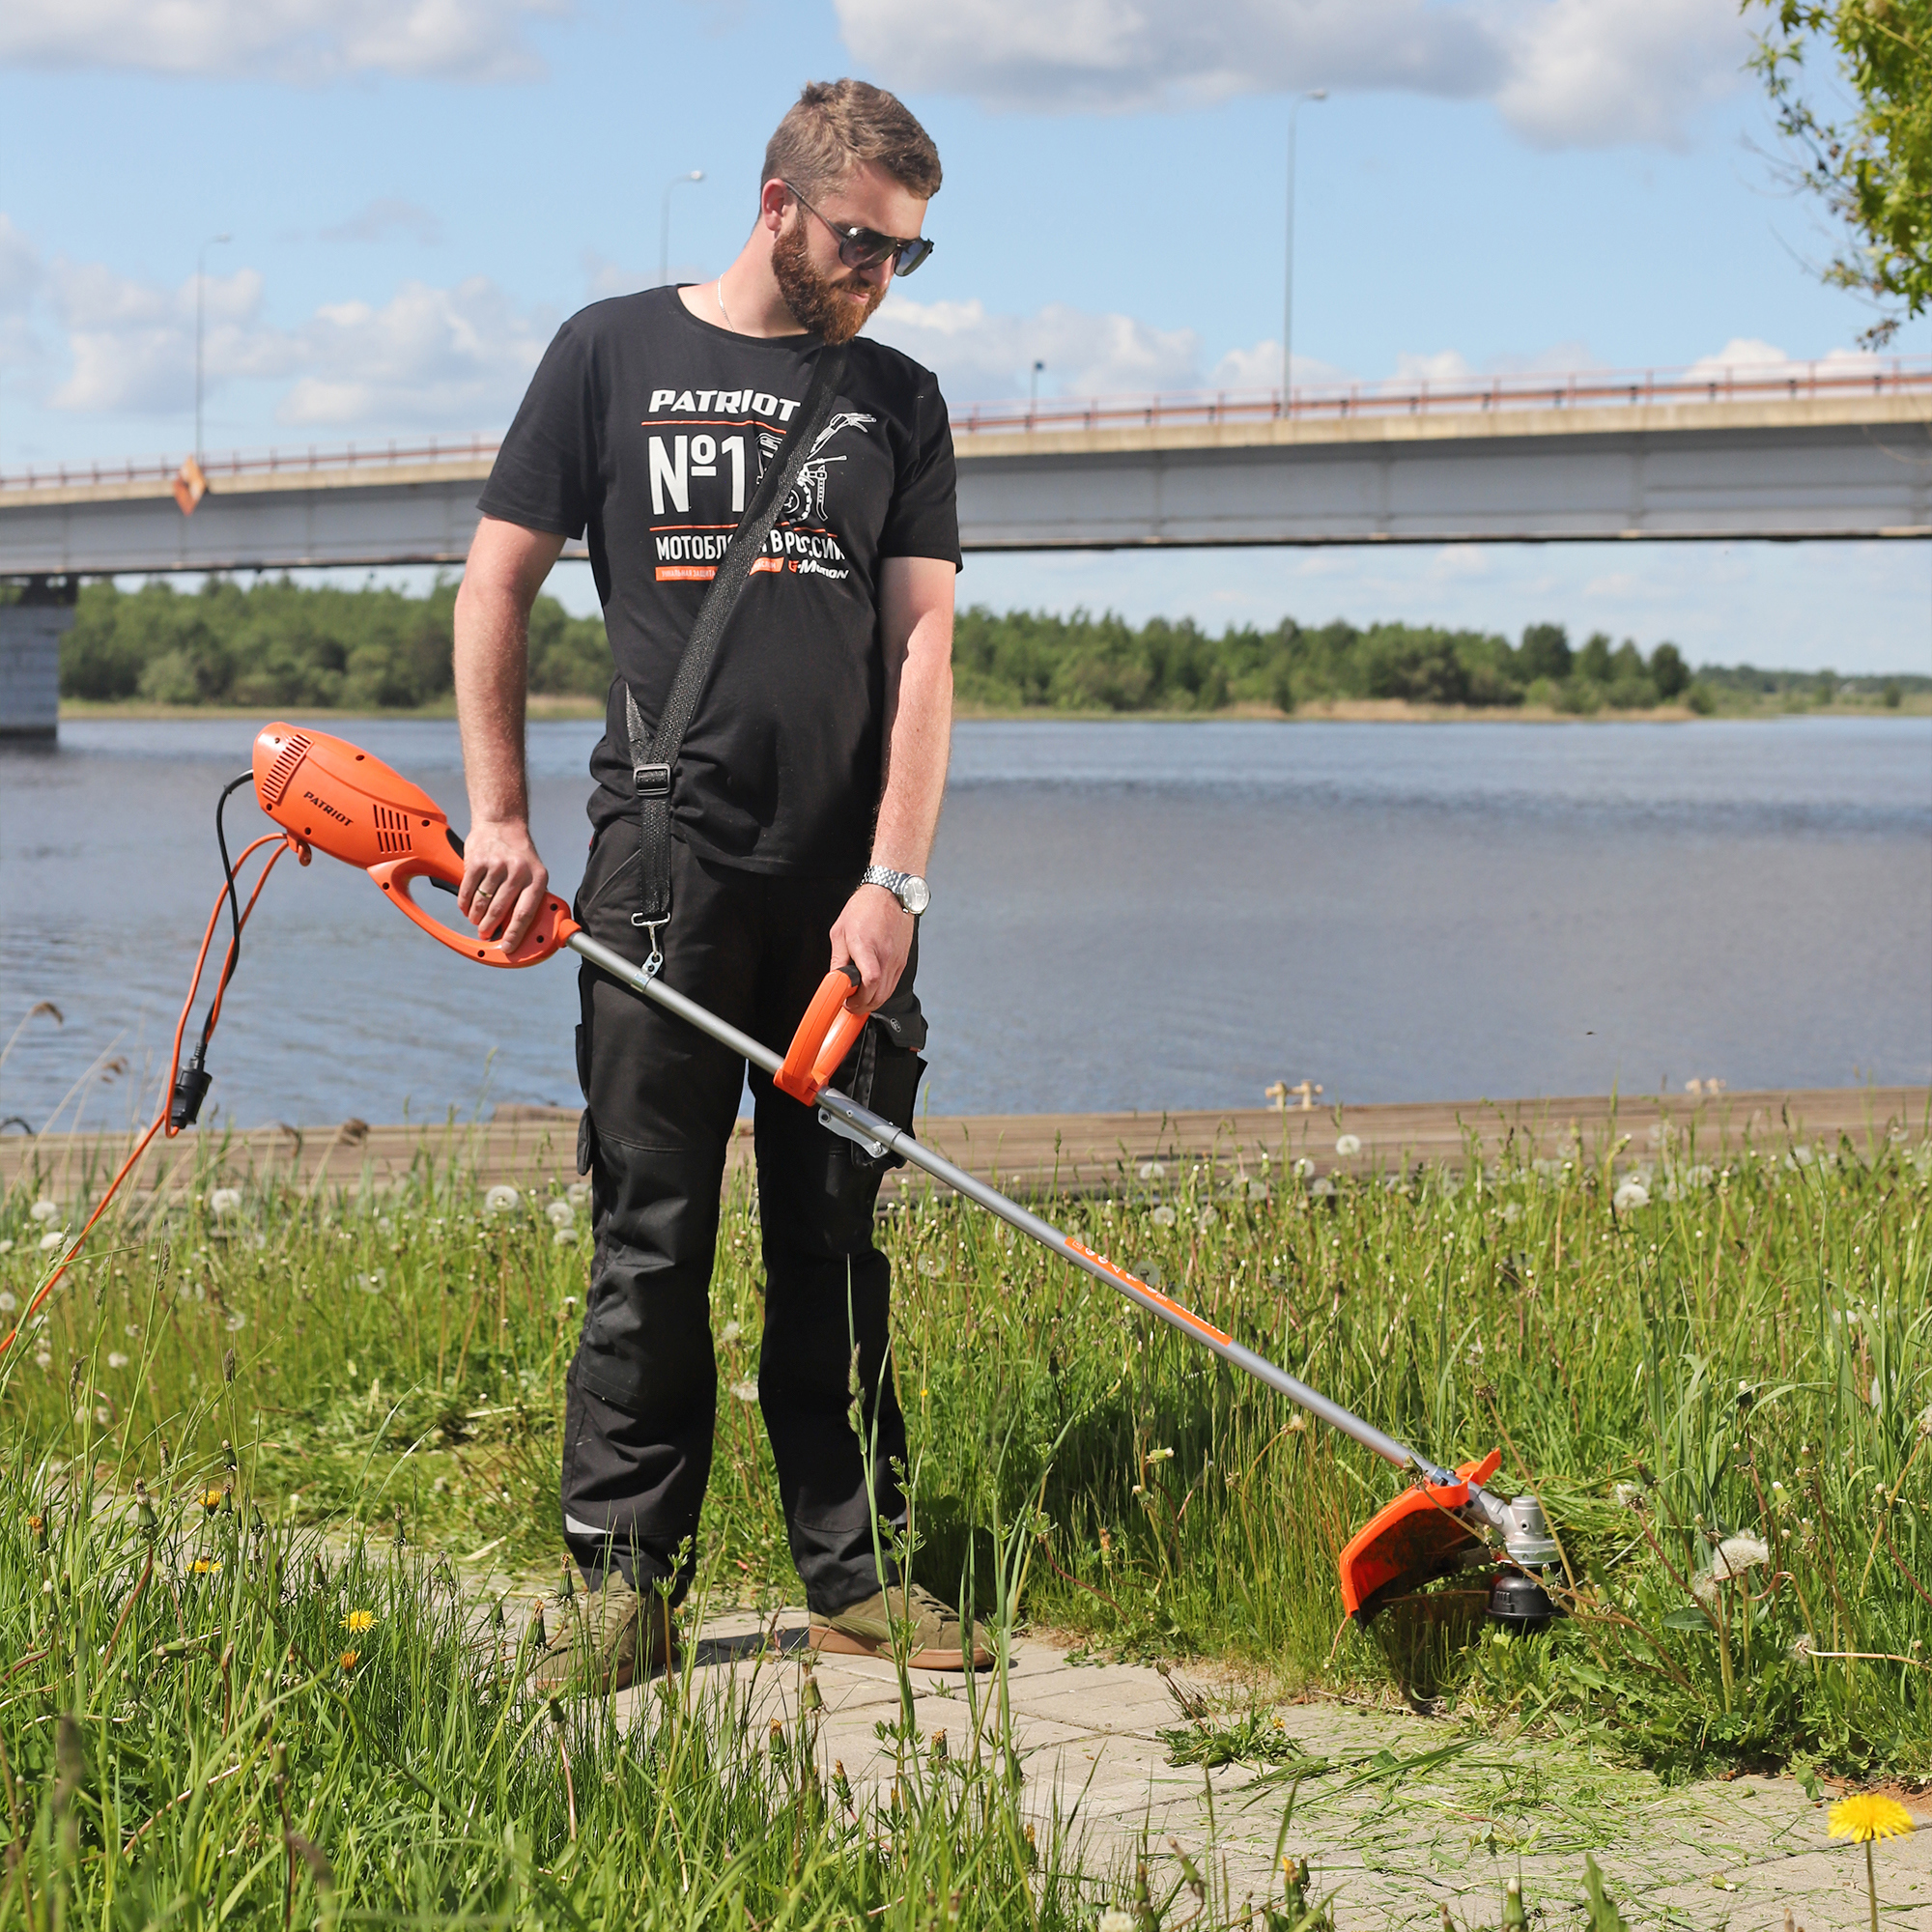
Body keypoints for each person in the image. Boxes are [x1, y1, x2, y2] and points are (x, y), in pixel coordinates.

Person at [451, 78, 981, 1691]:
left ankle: (860, 1574)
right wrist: (498, 818)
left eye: (910, 250)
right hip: (659, 870)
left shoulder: (901, 397)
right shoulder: (609, 352)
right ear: (776, 203)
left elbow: (925, 645)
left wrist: (894, 879)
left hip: (841, 892)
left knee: (833, 1237)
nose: (880, 275)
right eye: (859, 242)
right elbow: (494, 584)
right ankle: (626, 1588)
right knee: (650, 1238)